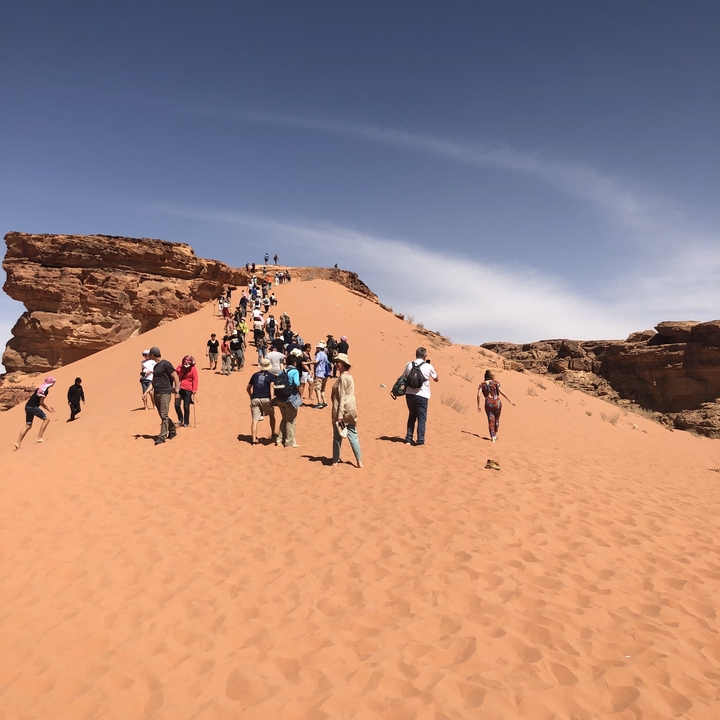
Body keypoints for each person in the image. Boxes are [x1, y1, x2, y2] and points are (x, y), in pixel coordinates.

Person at [330, 353, 362, 468]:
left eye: (338, 362)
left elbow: (342, 394)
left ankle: (335, 461)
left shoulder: (343, 376)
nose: (336, 364)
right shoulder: (349, 375)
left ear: (344, 364)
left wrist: (339, 414)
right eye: (336, 362)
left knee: (338, 436)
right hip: (351, 408)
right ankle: (359, 461)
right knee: (353, 435)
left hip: (342, 410)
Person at [404, 347, 438, 446]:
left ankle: (408, 438)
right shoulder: (428, 366)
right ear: (424, 356)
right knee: (422, 418)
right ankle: (420, 440)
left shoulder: (409, 364)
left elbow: (405, 376)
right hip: (422, 395)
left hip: (409, 394)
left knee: (412, 415)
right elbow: (436, 379)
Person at [15, 377, 56, 449]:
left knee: (28, 425)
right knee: (47, 419)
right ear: (51, 383)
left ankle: (18, 443)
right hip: (33, 407)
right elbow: (41, 402)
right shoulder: (45, 390)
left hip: (27, 406)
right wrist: (48, 408)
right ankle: (39, 437)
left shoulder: (41, 387)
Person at [149, 347, 179, 445]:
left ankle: (162, 436)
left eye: (150, 354)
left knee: (164, 415)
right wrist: (146, 392)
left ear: (153, 355)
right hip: (157, 392)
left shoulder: (166, 364)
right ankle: (172, 429)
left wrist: (177, 390)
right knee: (162, 415)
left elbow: (175, 376)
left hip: (165, 392)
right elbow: (153, 381)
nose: (149, 356)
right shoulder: (155, 367)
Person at [478, 370, 515, 442]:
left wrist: (478, 405)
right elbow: (501, 392)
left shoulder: (482, 384)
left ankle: (493, 436)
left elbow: (478, 395)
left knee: (491, 420)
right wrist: (510, 400)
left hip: (488, 403)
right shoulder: (495, 382)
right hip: (497, 403)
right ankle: (495, 432)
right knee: (497, 419)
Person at [247, 358, 276, 444]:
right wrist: (272, 399)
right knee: (271, 415)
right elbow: (271, 388)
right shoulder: (271, 376)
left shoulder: (255, 375)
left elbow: (248, 388)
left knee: (255, 420)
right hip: (266, 398)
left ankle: (253, 439)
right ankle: (273, 433)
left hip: (255, 398)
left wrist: (251, 396)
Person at [274, 354, 300, 447]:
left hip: (281, 398)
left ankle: (279, 439)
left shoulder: (283, 371)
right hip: (290, 398)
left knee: (284, 419)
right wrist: (299, 389)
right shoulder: (294, 371)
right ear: (294, 362)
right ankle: (289, 441)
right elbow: (297, 383)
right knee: (290, 421)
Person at [175, 355, 198, 427]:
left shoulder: (193, 369)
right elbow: (175, 375)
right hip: (180, 388)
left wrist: (194, 389)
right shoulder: (180, 367)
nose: (186, 365)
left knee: (186, 406)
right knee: (177, 405)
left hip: (188, 390)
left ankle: (186, 422)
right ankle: (180, 419)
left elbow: (195, 379)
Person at [311, 342, 331, 408]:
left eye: (317, 348)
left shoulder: (319, 354)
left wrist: (307, 362)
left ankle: (319, 403)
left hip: (319, 373)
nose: (316, 349)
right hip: (325, 374)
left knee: (317, 388)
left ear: (319, 348)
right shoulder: (325, 355)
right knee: (322, 389)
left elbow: (316, 361)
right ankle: (324, 402)